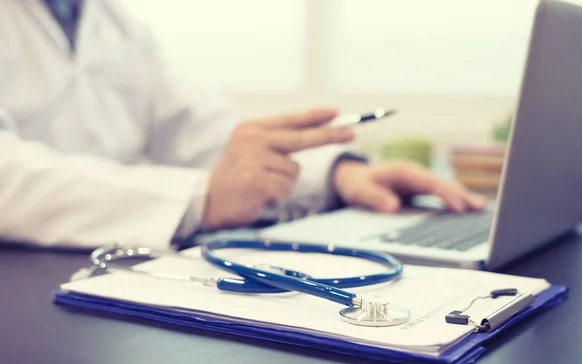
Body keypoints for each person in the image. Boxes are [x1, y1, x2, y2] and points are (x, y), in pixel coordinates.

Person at [0, 0, 485, 250]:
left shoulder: (115, 21)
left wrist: (342, 175)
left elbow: (203, 133)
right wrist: (202, 198)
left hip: (110, 262)